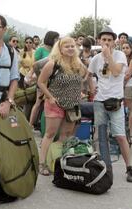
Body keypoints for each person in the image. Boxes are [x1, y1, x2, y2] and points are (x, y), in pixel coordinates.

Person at [88, 27, 132, 182]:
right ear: (99, 41)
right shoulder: (95, 59)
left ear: (114, 42)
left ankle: (129, 168)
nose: (107, 42)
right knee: (101, 136)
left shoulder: (120, 55)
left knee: (120, 136)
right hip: (99, 102)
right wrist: (91, 88)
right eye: (104, 40)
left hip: (115, 102)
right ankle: (106, 169)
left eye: (109, 40)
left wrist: (108, 56)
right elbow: (89, 75)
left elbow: (116, 72)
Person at [37, 36, 85, 175]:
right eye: (67, 46)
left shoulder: (77, 64)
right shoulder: (53, 64)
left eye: (72, 46)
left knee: (66, 134)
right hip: (55, 104)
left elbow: (81, 79)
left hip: (72, 105)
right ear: (60, 49)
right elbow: (40, 82)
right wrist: (50, 97)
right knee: (50, 134)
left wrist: (80, 92)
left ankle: (59, 162)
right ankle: (42, 163)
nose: (70, 48)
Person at [29, 31, 59, 128]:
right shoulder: (40, 50)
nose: (57, 41)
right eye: (56, 38)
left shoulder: (56, 50)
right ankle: (30, 124)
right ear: (51, 38)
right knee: (38, 103)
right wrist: (39, 77)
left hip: (53, 81)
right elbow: (34, 66)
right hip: (42, 81)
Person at [122, 41, 132, 131]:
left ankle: (130, 130)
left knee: (131, 108)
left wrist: (121, 85)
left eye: (127, 48)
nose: (125, 50)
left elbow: (128, 74)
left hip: (129, 85)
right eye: (123, 48)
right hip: (122, 85)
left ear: (131, 49)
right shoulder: (121, 58)